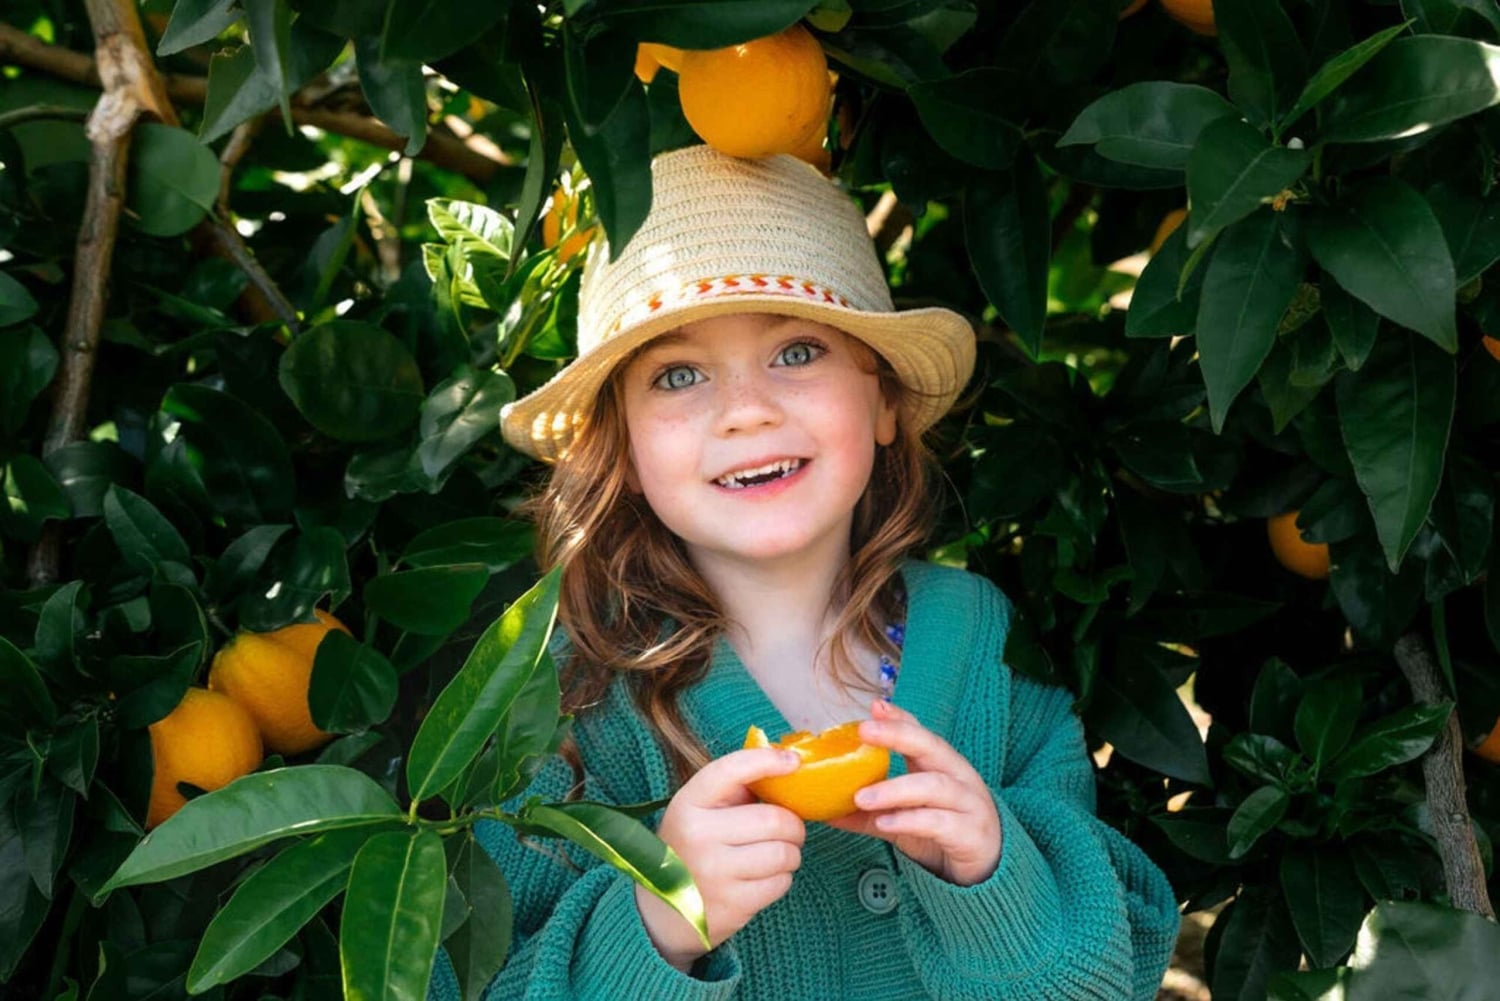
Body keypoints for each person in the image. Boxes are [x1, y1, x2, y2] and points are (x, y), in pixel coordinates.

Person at [429, 145, 1180, 1000]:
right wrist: (659, 923)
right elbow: (471, 981)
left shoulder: (981, 640)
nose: (747, 410)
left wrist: (993, 876)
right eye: (678, 374)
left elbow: (1115, 968)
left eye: (796, 351)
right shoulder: (569, 702)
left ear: (885, 400)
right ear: (623, 451)